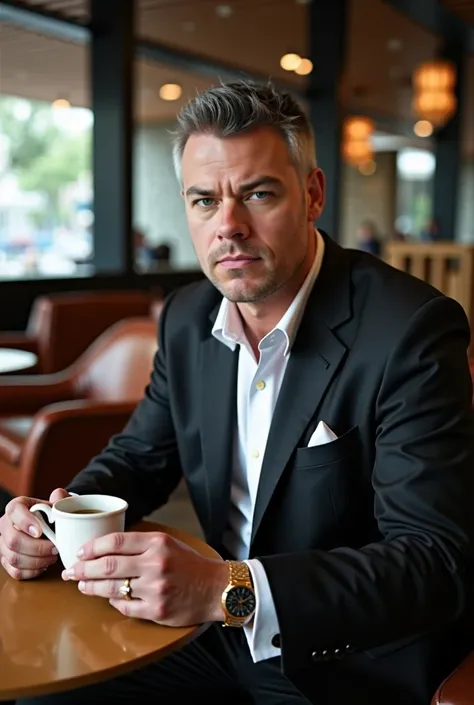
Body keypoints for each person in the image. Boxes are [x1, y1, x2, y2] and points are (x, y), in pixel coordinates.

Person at [0, 81, 472, 705]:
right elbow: (140, 457)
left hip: (345, 665)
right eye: (204, 200)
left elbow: (434, 562)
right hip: (211, 634)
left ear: (312, 196)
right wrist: (57, 523)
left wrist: (228, 589)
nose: (229, 226)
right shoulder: (188, 317)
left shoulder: (409, 329)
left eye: (258, 193)